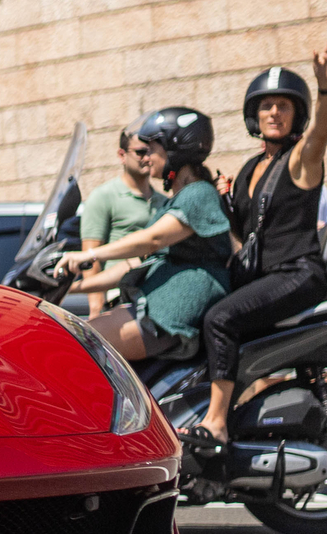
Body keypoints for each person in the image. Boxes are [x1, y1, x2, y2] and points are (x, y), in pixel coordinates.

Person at [191, 37, 327, 447]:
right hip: (261, 276)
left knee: (221, 319)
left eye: (284, 105)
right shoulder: (248, 170)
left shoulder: (300, 159)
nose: (274, 112)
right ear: (253, 114)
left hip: (296, 272)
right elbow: (240, 238)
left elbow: (321, 133)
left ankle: (216, 422)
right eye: (266, 105)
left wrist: (326, 88)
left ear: (297, 113)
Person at [56, 107, 230, 361]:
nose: (146, 158)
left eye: (151, 150)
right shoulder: (177, 199)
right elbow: (134, 263)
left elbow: (152, 240)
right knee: (78, 338)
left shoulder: (199, 193)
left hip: (176, 307)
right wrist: (71, 288)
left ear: (174, 149)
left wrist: (89, 254)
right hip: (158, 303)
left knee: (80, 352)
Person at [77, 121, 163, 307]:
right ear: (122, 155)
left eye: (150, 151)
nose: (147, 157)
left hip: (156, 296)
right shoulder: (104, 196)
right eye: (140, 152)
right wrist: (95, 306)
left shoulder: (163, 200)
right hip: (119, 298)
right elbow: (90, 257)